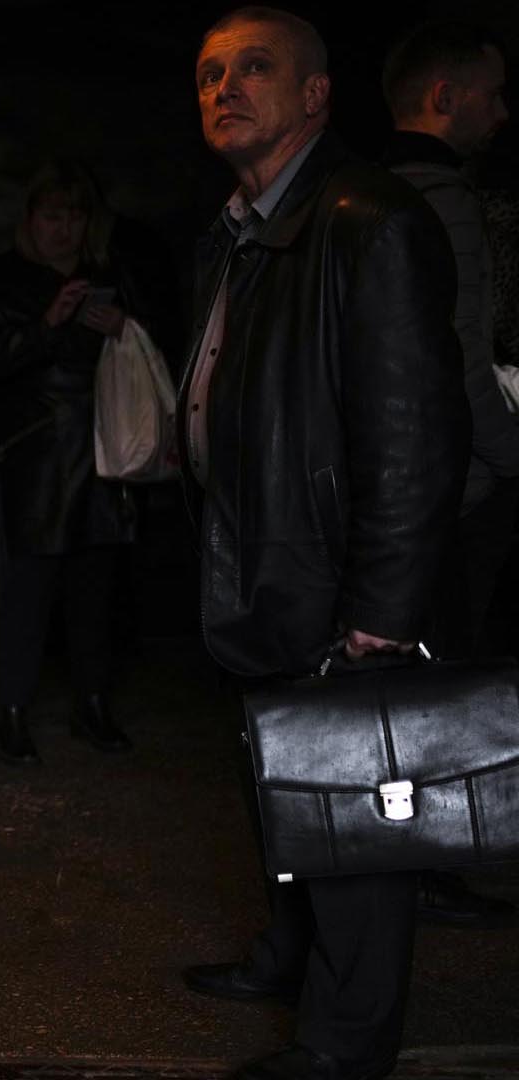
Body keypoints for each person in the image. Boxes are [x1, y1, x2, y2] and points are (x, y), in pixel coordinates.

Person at [173, 10, 468, 1079]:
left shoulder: (364, 221)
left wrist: (383, 615)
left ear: (316, 96)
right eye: (209, 74)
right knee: (282, 795)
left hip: (335, 588)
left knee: (355, 828)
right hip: (267, 571)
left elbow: (416, 434)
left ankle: (344, 1050)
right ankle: (288, 961)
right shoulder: (243, 230)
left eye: (255, 68)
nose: (225, 88)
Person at [379, 20, 519, 931]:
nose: (502, 114)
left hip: (387, 488)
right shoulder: (444, 197)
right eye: (491, 93)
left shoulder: (360, 193)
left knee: (404, 686)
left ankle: (405, 859)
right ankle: (427, 864)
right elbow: (466, 368)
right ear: (444, 97)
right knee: (448, 682)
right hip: (451, 488)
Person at [0, 159, 145, 764]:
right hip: (38, 458)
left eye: (74, 216)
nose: (64, 229)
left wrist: (121, 324)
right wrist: (49, 322)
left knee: (96, 592)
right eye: (53, 216)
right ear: (30, 220)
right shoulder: (5, 280)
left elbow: (151, 350)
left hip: (103, 451)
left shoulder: (108, 273)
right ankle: (12, 712)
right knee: (28, 595)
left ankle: (93, 705)